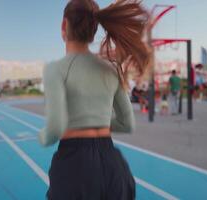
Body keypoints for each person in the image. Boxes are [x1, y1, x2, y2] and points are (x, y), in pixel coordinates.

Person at [38, 1, 151, 199]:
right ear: (94, 29)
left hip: (75, 167)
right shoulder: (111, 69)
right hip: (114, 165)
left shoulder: (55, 69)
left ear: (64, 25)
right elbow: (127, 124)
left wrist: (43, 136)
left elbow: (55, 128)